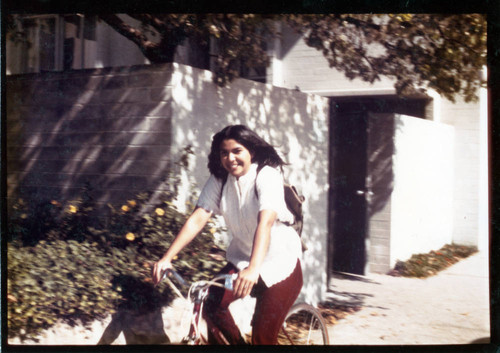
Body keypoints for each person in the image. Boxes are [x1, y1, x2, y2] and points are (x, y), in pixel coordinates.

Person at [152, 125, 303, 345]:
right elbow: (198, 218)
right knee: (208, 302)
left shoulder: (266, 175)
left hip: (280, 265)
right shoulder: (220, 180)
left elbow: (266, 222)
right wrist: (167, 258)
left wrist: (254, 269)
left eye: (237, 151)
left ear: (251, 151)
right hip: (242, 262)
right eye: (224, 153)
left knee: (262, 339)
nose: (230, 158)